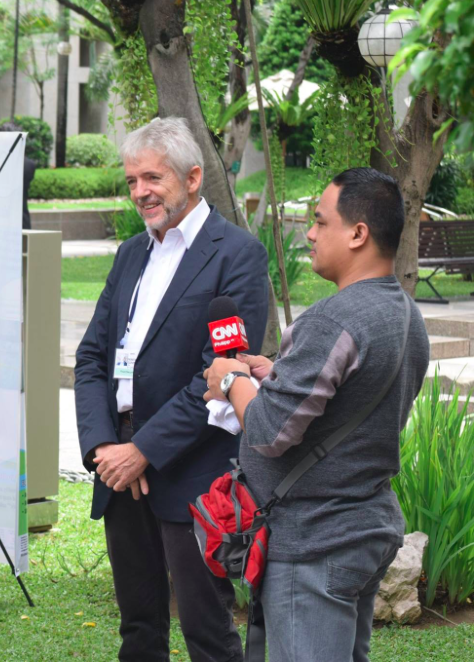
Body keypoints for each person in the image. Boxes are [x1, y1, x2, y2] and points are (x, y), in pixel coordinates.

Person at [203, 167, 430, 662]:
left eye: (320, 221)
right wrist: (276, 374)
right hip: (362, 528)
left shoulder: (335, 319)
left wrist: (230, 379)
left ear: (357, 234)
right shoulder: (406, 313)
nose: (308, 232)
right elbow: (347, 403)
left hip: (315, 542)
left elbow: (266, 430)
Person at [74, 117, 270, 662]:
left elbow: (220, 376)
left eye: (152, 178)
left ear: (192, 177)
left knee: (206, 631)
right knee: (138, 628)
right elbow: (91, 356)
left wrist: (145, 450)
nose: (140, 192)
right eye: (132, 180)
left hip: (192, 470)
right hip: (119, 467)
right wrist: (103, 449)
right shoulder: (131, 254)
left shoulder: (237, 256)